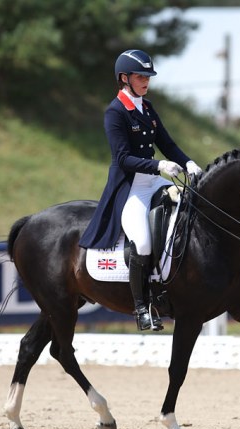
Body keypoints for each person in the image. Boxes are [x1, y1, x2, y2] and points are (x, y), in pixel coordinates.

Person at [79, 49, 202, 331]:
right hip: (131, 188)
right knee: (143, 243)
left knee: (189, 214)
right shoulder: (115, 111)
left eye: (148, 76)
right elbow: (122, 158)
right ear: (125, 78)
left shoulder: (146, 108)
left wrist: (189, 163)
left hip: (156, 182)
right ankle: (141, 308)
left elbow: (167, 143)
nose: (146, 81)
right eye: (140, 76)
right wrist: (159, 166)